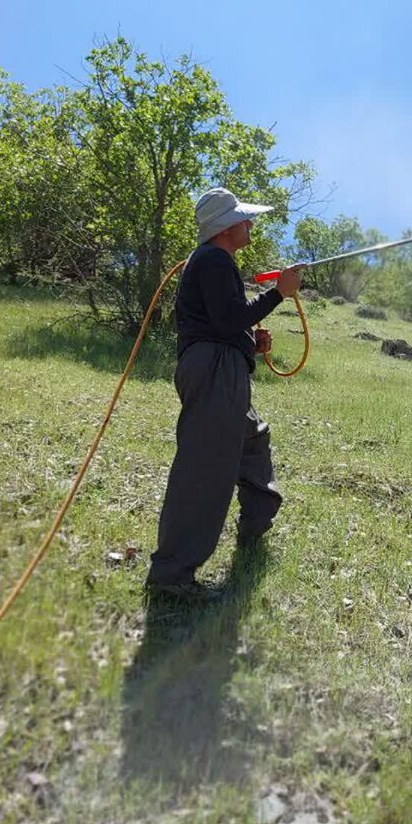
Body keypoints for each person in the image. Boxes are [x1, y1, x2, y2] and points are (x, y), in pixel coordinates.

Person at [145, 187, 303, 599]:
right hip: (216, 372)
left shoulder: (216, 262)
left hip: (222, 368)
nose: (250, 224)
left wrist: (250, 343)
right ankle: (172, 575)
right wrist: (278, 294)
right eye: (244, 219)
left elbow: (222, 323)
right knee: (205, 468)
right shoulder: (214, 259)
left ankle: (254, 527)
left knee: (253, 439)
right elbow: (229, 318)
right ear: (225, 227)